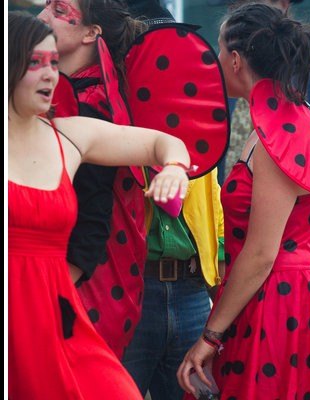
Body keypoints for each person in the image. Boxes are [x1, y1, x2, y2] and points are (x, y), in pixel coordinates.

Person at [177, 4, 310, 399]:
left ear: (237, 60)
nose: (216, 59)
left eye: (220, 51)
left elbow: (262, 252)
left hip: (281, 298)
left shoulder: (279, 131)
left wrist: (210, 335)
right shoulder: (288, 116)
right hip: (292, 292)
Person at [8, 10, 191, 399]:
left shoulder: (70, 136)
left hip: (56, 320)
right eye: (35, 63)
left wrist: (173, 168)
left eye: (54, 62)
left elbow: (162, 142)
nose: (50, 75)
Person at [222, 0, 310, 310]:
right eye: (234, 4)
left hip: (309, 254)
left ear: (283, 4)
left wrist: (275, 220)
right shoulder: (228, 61)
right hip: (232, 244)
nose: (238, 12)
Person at [120, 2, 226, 399]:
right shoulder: (113, 115)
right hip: (132, 290)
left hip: (193, 290)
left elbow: (214, 204)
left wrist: (215, 282)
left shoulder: (196, 115)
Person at [38, 0, 151, 359]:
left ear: (91, 33)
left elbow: (91, 221)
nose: (41, 17)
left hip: (82, 293)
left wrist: (43, 295)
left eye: (58, 11)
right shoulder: (83, 91)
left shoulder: (88, 104)